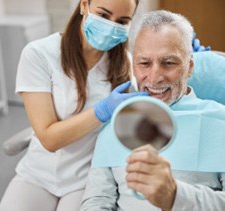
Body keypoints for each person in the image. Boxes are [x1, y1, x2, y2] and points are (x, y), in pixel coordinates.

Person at [0, 0, 148, 211]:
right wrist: (102, 110)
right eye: (104, 16)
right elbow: (49, 139)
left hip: (87, 179)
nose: (111, 26)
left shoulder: (126, 65)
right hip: (37, 174)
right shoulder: (39, 54)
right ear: (84, 5)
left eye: (122, 21)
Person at [80, 10, 225, 211]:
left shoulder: (221, 122)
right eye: (144, 63)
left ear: (189, 66)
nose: (155, 77)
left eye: (169, 63)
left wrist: (175, 196)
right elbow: (96, 201)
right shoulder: (115, 124)